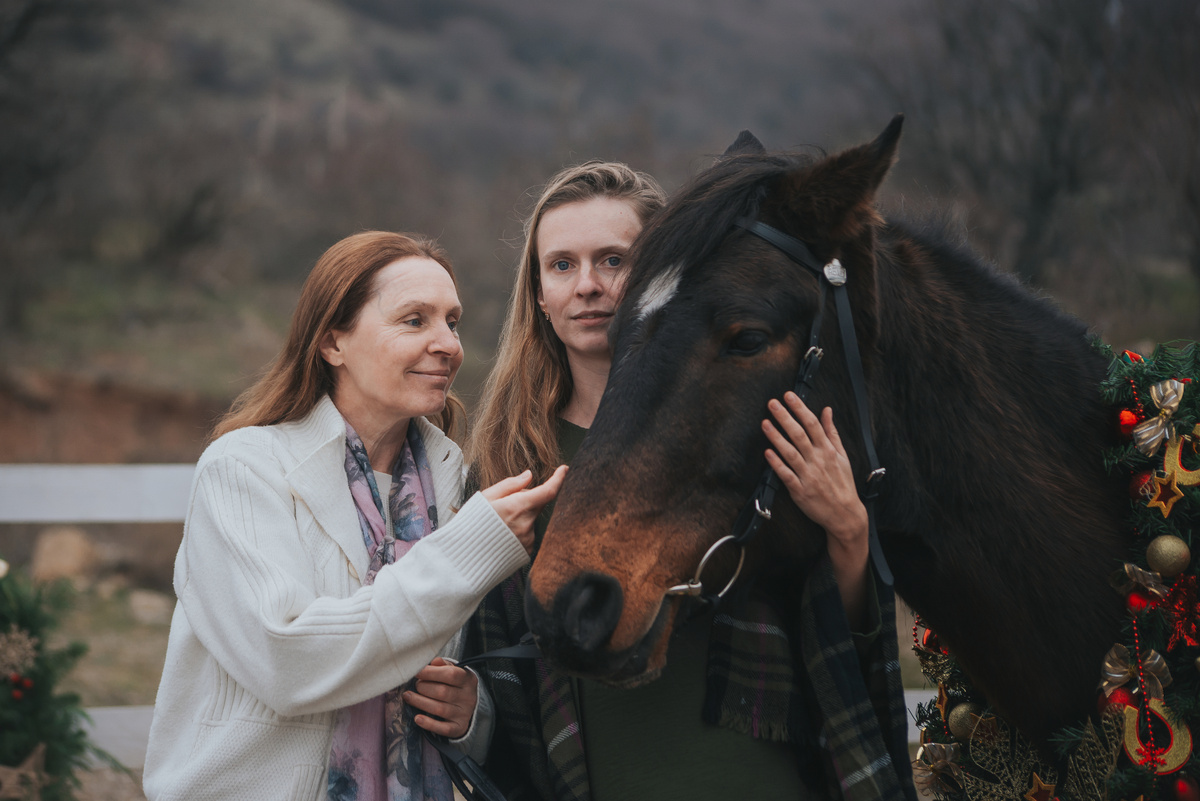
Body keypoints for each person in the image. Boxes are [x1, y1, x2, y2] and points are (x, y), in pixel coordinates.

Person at [467, 162, 911, 800]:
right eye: (561, 265)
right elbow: (502, 680)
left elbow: (837, 637)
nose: (587, 285)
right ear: (538, 293)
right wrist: (468, 709)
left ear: (661, 274)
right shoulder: (505, 464)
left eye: (613, 260)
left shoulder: (754, 428)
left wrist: (848, 529)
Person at [143, 231, 566, 801]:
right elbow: (286, 663)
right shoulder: (244, 470)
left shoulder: (453, 479)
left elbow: (442, 653)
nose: (447, 344)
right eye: (414, 320)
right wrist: (467, 552)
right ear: (332, 342)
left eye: (453, 321)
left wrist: (473, 710)